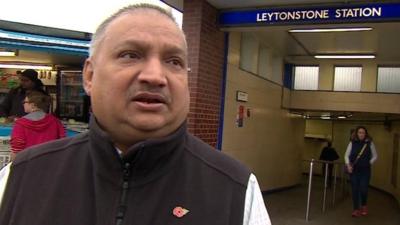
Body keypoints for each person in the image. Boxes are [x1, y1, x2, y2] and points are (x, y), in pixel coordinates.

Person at [0, 4, 271, 225]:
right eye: (131, 55)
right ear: (90, 75)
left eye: (174, 61)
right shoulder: (19, 178)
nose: (155, 76)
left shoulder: (236, 190)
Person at [9, 91, 66, 161]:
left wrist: (11, 165)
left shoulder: (20, 123)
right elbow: (62, 143)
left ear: (33, 105)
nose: (23, 104)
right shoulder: (55, 121)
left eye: (25, 102)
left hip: (27, 164)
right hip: (50, 163)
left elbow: (16, 149)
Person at [345, 126, 377, 217]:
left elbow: (375, 156)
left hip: (365, 170)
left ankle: (364, 205)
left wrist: (369, 162)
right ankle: (356, 209)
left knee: (363, 189)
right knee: (355, 190)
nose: (361, 134)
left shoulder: (370, 143)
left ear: (365, 134)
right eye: (359, 132)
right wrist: (348, 165)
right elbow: (346, 155)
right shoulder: (352, 143)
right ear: (356, 133)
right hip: (354, 170)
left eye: (363, 132)